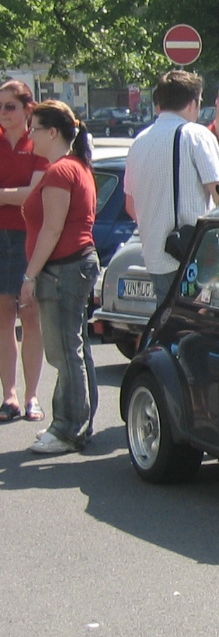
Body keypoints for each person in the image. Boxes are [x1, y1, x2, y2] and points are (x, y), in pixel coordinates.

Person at [16, 101, 99, 454]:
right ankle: (75, 422)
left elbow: (52, 229)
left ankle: (68, 429)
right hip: (73, 266)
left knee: (64, 352)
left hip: (64, 269)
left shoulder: (61, 171)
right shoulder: (75, 166)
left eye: (34, 128)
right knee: (74, 349)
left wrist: (30, 275)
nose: (29, 135)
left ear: (52, 132)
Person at [124, 69, 219, 301]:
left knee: (168, 318)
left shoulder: (139, 141)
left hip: (154, 257)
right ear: (193, 103)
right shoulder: (196, 135)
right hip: (191, 256)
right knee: (204, 316)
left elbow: (130, 206)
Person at [0, 80, 46, 424]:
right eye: (0, 107)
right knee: (3, 316)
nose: (3, 113)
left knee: (29, 315)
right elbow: (21, 192)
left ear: (28, 108)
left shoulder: (38, 142)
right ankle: (10, 396)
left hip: (28, 237)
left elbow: (33, 193)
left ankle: (32, 397)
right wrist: (11, 195)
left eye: (10, 106)